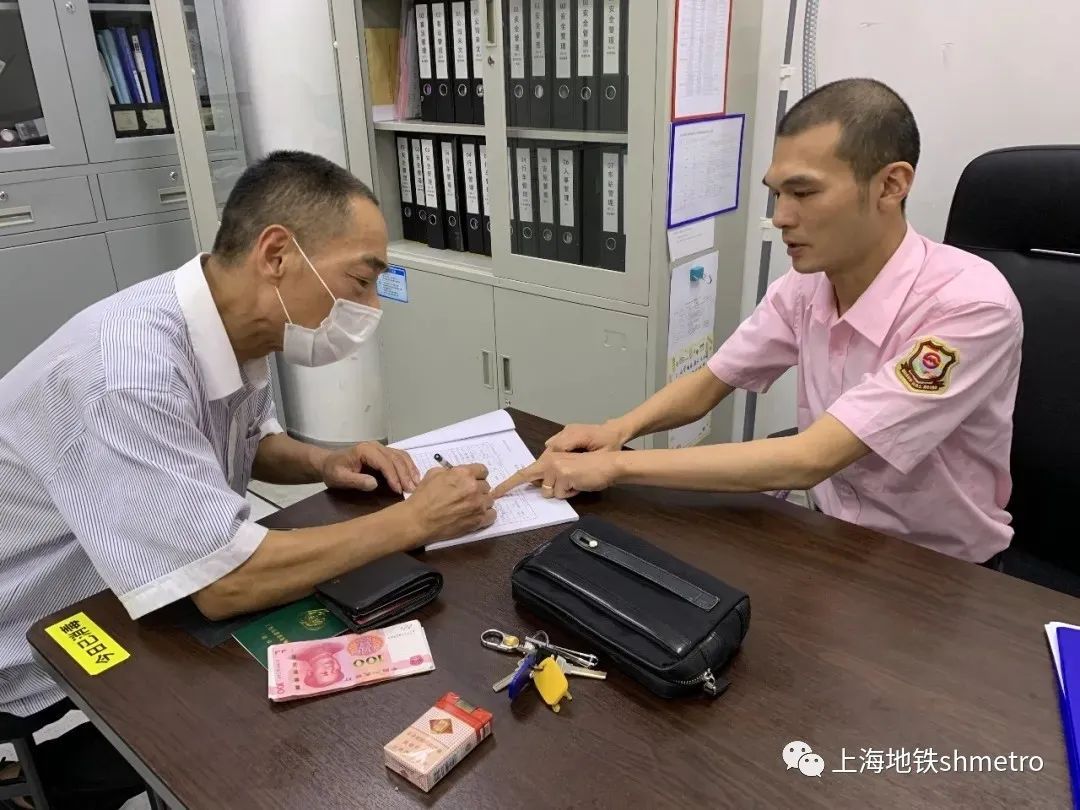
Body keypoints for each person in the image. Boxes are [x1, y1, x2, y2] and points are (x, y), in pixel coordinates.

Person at [0, 150, 495, 807]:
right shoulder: (128, 370)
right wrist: (414, 521)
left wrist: (321, 461)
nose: (370, 306)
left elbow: (246, 441)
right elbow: (221, 583)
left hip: (127, 582)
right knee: (242, 743)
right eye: (361, 280)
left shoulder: (231, 330)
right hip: (35, 633)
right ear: (277, 254)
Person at [494, 78, 1022, 567]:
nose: (781, 217)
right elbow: (711, 383)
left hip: (939, 568)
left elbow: (811, 458)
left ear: (891, 185)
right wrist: (617, 430)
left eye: (804, 193)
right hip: (834, 536)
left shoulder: (970, 306)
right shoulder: (806, 284)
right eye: (777, 193)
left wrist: (618, 465)